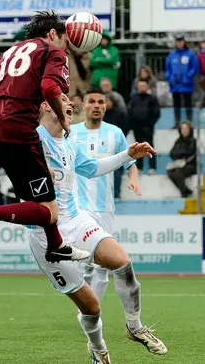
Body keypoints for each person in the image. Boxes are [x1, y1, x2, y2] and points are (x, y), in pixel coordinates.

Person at [21, 95, 165, 362]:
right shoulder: (30, 138)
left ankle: (134, 327)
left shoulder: (70, 145)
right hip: (45, 234)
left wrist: (127, 155)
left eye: (69, 100)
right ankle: (98, 349)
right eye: (62, 98)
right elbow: (2, 144)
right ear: (44, 105)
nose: (69, 102)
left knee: (121, 262)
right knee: (92, 307)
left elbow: (93, 168)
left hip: (77, 219)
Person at [0, 10, 88, 262]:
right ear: (53, 34)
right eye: (65, 41)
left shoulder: (10, 52)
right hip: (17, 133)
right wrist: (64, 117)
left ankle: (55, 245)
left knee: (43, 190)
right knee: (48, 211)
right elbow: (49, 87)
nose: (66, 48)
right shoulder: (52, 51)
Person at [71, 87, 142, 307]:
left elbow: (130, 162)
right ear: (83, 105)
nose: (96, 106)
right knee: (83, 263)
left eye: (101, 102)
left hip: (105, 208)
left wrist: (134, 178)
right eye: (91, 101)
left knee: (103, 268)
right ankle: (87, 307)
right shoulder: (71, 133)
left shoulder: (115, 133)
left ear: (106, 106)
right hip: (79, 208)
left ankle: (92, 309)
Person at [128, 80, 161, 174]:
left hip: (148, 127)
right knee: (137, 147)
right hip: (136, 127)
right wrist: (132, 125)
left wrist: (150, 124)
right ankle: (139, 167)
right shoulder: (134, 98)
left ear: (147, 87)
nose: (142, 87)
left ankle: (152, 168)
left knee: (149, 146)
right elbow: (130, 111)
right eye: (140, 86)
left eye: (143, 86)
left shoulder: (152, 98)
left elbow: (156, 113)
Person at [166, 35, 199, 127]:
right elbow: (168, 69)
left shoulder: (190, 54)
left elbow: (194, 67)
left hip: (186, 84)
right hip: (175, 85)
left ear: (184, 42)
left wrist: (188, 77)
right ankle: (177, 123)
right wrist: (170, 78)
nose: (179, 43)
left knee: (188, 103)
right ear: (175, 43)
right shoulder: (171, 55)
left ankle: (189, 122)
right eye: (178, 41)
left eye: (181, 41)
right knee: (176, 104)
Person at [167, 121, 197, 197]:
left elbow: (190, 152)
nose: (184, 130)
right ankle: (185, 191)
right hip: (179, 164)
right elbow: (172, 153)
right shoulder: (178, 141)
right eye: (183, 128)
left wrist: (179, 153)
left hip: (190, 165)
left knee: (178, 172)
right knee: (170, 172)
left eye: (186, 128)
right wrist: (181, 154)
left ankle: (185, 192)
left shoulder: (193, 141)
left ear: (190, 129)